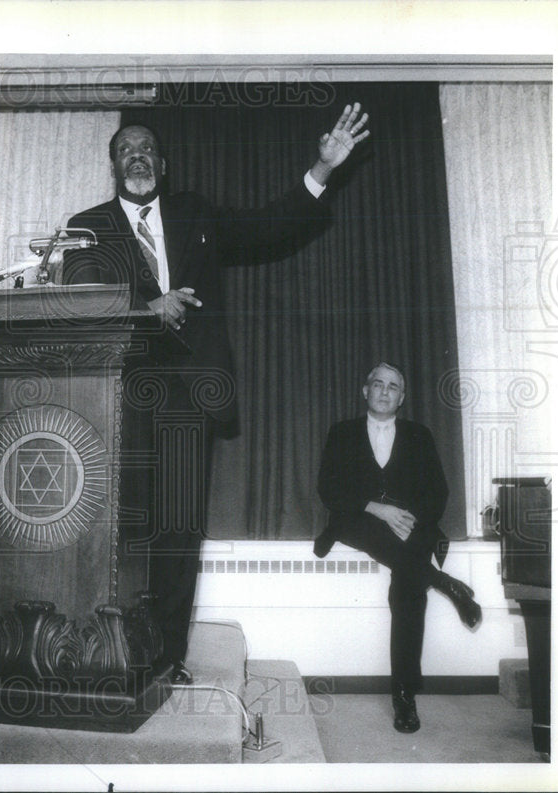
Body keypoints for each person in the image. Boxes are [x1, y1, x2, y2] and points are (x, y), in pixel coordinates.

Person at [62, 105, 370, 684]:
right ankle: (109, 646)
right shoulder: (87, 226)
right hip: (114, 395)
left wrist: (323, 170)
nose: (138, 156)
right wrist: (143, 307)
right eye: (126, 149)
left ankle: (165, 657)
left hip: (186, 394)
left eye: (147, 148)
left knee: (178, 530)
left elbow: (268, 227)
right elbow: (75, 296)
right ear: (112, 165)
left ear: (163, 163)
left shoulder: (193, 212)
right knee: (120, 526)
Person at [315, 362, 482, 733]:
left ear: (402, 397)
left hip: (410, 527)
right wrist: (379, 508)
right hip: (357, 521)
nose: (385, 391)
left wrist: (407, 519)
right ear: (365, 390)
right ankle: (444, 583)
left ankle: (404, 696)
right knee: (396, 550)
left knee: (407, 590)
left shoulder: (419, 435)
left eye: (393, 387)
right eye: (379, 384)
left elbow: (437, 492)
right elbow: (328, 488)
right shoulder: (342, 433)